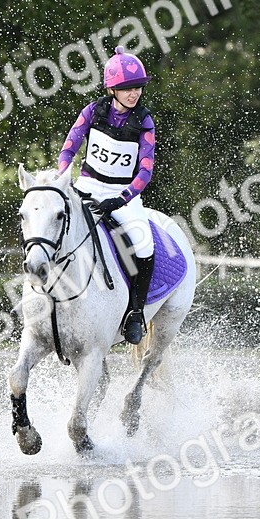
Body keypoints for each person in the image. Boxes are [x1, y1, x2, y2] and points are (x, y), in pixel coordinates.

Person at [57, 46, 157, 345]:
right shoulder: (92, 111)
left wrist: (123, 197)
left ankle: (136, 313)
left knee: (144, 245)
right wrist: (66, 180)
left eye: (137, 87)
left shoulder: (145, 121)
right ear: (112, 89)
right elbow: (68, 149)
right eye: (127, 89)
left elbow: (145, 171)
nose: (133, 94)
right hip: (86, 186)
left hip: (122, 194)